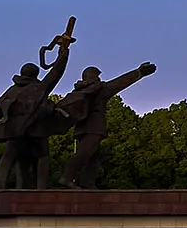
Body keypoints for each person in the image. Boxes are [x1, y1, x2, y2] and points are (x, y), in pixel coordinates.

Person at [0, 31, 74, 190]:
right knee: (42, 159)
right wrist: (64, 52)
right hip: (37, 132)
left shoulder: (12, 90)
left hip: (17, 132)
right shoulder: (40, 88)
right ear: (36, 74)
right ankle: (41, 190)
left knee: (8, 159)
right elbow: (57, 72)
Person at [55, 61, 157, 189]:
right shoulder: (98, 89)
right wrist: (139, 72)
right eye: (97, 76)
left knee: (93, 157)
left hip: (81, 128)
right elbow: (119, 83)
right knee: (84, 153)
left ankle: (87, 183)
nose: (99, 78)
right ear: (93, 76)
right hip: (94, 127)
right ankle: (67, 177)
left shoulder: (79, 90)